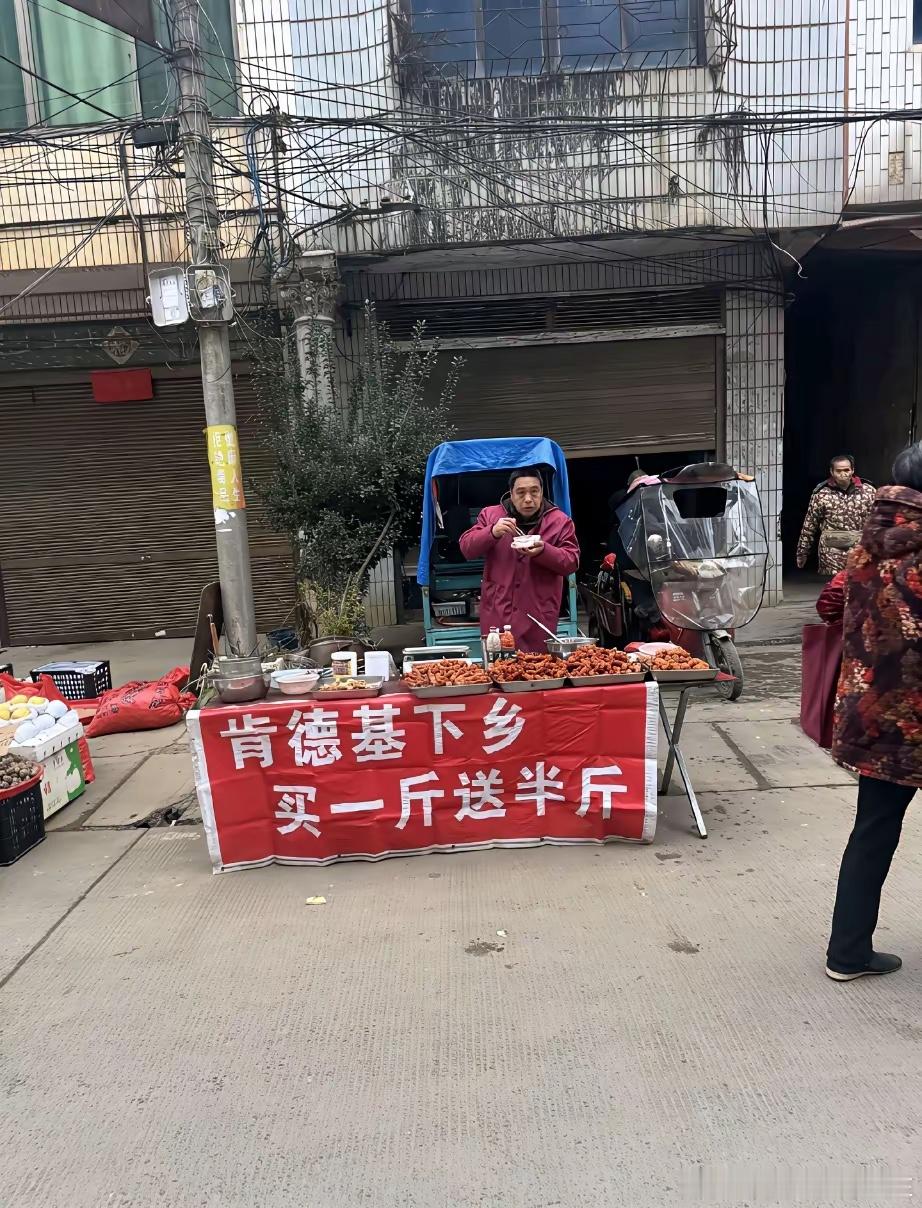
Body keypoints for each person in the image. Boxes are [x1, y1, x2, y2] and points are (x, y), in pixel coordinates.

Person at [822, 442, 922, 981]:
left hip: (875, 712)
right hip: (913, 713)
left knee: (873, 830)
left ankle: (848, 952)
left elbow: (828, 604)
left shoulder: (867, 545)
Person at [459, 466, 580, 652]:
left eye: (534, 491)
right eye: (521, 492)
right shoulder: (491, 515)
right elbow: (467, 548)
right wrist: (492, 532)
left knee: (537, 666)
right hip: (498, 614)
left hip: (538, 617)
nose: (528, 499)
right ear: (511, 493)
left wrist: (544, 551)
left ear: (542, 491)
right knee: (498, 665)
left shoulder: (560, 521)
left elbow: (571, 561)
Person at [796, 454, 876, 576]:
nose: (843, 474)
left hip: (859, 550)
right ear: (832, 472)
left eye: (846, 470)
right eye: (838, 471)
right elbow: (810, 524)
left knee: (857, 583)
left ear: (852, 470)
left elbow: (877, 521)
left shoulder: (868, 491)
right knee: (835, 585)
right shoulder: (822, 494)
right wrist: (802, 552)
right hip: (831, 552)